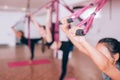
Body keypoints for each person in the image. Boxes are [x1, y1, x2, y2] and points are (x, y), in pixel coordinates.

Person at [31, 8, 74, 80]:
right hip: (64, 46)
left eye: (42, 30)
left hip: (67, 46)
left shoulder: (48, 36)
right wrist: (32, 18)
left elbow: (47, 24)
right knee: (64, 66)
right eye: (40, 30)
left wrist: (48, 11)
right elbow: (37, 26)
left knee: (64, 67)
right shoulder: (44, 36)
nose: (40, 31)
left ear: (45, 30)